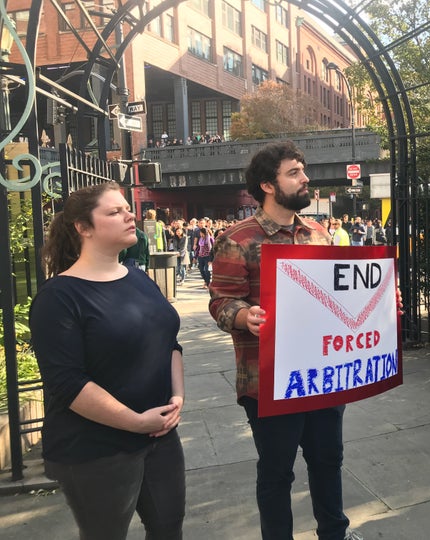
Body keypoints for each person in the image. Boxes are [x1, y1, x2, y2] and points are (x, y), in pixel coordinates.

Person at [208, 140, 364, 540]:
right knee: (277, 472)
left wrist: (376, 303)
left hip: (322, 375)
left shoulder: (317, 233)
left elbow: (337, 294)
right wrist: (245, 316)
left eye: (303, 169)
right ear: (268, 185)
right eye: (294, 172)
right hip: (268, 381)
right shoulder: (237, 238)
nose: (305, 177)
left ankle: (335, 532)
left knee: (328, 459)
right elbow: (221, 300)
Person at [29, 182, 185, 539]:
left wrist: (178, 397)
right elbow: (67, 383)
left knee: (168, 528)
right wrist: (135, 422)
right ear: (83, 228)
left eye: (127, 208)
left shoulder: (140, 279)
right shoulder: (59, 297)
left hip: (160, 434)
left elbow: (169, 342)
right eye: (114, 212)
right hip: (95, 448)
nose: (129, 215)